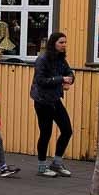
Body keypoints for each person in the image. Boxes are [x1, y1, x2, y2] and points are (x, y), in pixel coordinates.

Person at [32, 31, 74, 177]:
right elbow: (40, 81)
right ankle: (42, 167)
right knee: (46, 133)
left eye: (65, 42)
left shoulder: (61, 59)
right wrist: (61, 80)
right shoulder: (42, 59)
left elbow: (69, 73)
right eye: (61, 42)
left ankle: (56, 162)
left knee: (67, 130)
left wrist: (69, 79)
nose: (64, 45)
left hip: (55, 99)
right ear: (53, 43)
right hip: (42, 101)